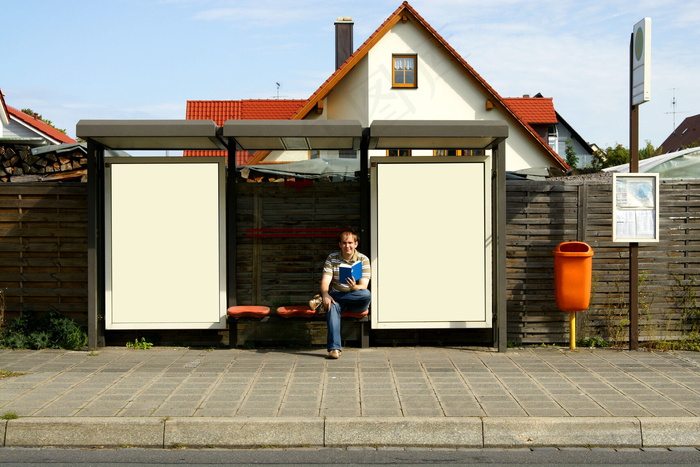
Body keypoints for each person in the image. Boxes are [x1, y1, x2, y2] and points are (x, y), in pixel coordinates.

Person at [311, 229, 371, 359]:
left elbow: (364, 286)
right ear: (339, 244)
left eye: (350, 243)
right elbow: (325, 281)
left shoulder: (363, 259)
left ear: (356, 244)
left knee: (366, 294)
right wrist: (326, 294)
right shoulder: (332, 258)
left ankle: (321, 300)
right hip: (337, 301)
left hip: (357, 300)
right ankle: (334, 349)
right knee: (331, 305)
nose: (347, 246)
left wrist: (354, 286)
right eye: (344, 243)